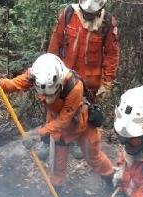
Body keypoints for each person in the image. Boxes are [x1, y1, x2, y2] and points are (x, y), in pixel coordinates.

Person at [0, 53, 115, 197]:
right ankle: (56, 196)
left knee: (94, 157)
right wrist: (0, 83)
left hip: (81, 123)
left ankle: (111, 179)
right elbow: (16, 83)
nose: (47, 98)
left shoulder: (74, 86)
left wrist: (37, 134)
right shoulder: (37, 74)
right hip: (57, 126)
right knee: (58, 164)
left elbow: (64, 121)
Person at [46, 0, 120, 158]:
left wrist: (107, 83)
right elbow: (55, 43)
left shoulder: (107, 23)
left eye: (91, 13)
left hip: (89, 83)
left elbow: (112, 55)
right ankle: (48, 141)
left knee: (82, 114)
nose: (87, 15)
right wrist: (49, 67)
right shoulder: (68, 14)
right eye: (85, 12)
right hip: (64, 77)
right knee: (55, 108)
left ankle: (75, 141)